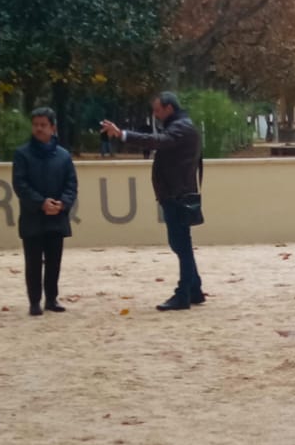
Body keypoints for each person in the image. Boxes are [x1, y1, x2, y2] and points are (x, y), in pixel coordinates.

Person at [100, 91, 204, 311]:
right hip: (179, 194)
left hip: (177, 195)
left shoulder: (180, 128)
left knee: (181, 245)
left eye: (158, 110)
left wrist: (122, 134)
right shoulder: (184, 125)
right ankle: (194, 289)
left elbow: (156, 141)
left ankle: (183, 294)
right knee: (181, 244)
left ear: (169, 108)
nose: (155, 115)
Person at [12, 107, 78, 317]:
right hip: (33, 217)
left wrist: (63, 203)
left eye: (43, 125)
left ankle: (51, 299)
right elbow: (20, 185)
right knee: (33, 262)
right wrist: (41, 203)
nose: (39, 129)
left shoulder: (64, 156)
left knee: (53, 262)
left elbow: (71, 184)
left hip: (57, 217)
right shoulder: (22, 154)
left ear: (53, 128)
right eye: (36, 125)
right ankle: (34, 302)